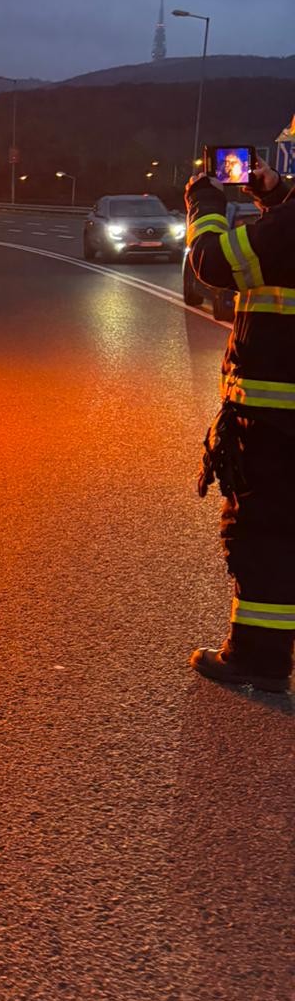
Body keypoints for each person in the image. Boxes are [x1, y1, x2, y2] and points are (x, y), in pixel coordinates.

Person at [186, 160, 295, 695]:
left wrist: (204, 205)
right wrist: (277, 198)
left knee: (265, 534)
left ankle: (258, 657)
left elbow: (213, 262)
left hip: (277, 419)